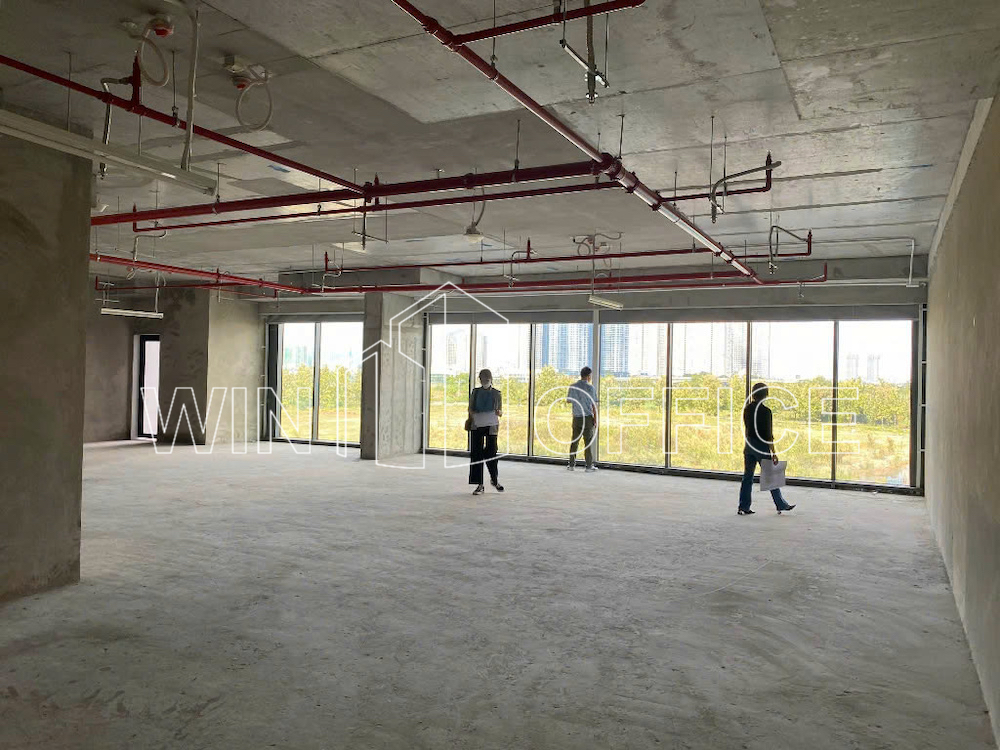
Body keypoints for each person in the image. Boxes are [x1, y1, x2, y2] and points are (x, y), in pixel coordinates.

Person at [739, 382, 795, 515]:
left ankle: (743, 506)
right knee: (770, 475)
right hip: (761, 446)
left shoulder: (747, 409)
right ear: (766, 395)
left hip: (749, 444)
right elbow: (768, 434)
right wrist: (774, 452)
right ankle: (780, 504)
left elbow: (747, 428)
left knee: (747, 477)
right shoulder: (766, 412)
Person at [468, 368, 504, 495]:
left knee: (491, 453)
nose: (485, 381)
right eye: (483, 379)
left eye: (487, 379)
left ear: (491, 379)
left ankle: (494, 479)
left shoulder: (496, 393)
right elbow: (470, 408)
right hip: (477, 425)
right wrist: (474, 414)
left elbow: (500, 411)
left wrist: (498, 412)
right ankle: (479, 484)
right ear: (480, 380)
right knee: (476, 454)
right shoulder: (476, 392)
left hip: (491, 425)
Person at [566, 366, 599, 473]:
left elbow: (568, 401)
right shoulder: (590, 388)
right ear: (589, 376)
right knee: (588, 442)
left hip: (576, 418)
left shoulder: (572, 386)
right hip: (587, 418)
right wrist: (595, 419)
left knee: (574, 442)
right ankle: (588, 466)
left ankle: (571, 465)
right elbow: (594, 405)